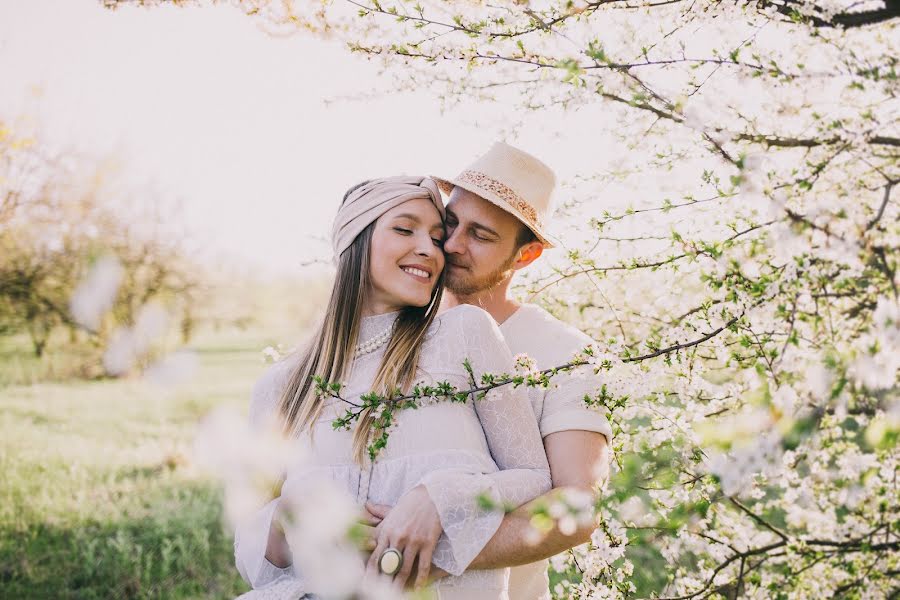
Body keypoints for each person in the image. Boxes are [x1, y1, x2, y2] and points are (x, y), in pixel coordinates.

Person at [233, 176, 552, 599]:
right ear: (355, 239)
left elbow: (534, 476)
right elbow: (252, 553)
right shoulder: (281, 387)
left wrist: (441, 496)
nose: (429, 248)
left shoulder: (464, 335)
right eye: (405, 229)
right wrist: (287, 517)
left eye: (437, 238)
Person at [364, 144, 613, 599]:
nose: (453, 244)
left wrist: (430, 548)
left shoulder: (566, 354)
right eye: (451, 223)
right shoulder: (394, 335)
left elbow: (576, 508)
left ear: (526, 256)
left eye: (480, 235)